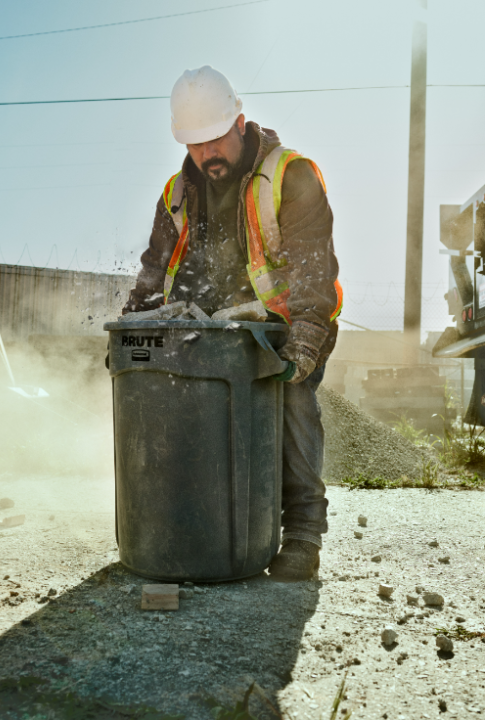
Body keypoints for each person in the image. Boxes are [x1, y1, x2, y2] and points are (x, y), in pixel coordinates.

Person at [122, 66, 343, 580]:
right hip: (205, 329)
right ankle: (203, 530)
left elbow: (315, 272)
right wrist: (132, 331)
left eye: (215, 139)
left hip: (281, 328)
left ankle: (304, 536)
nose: (207, 155)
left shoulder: (292, 176)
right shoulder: (178, 191)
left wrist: (304, 347)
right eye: (195, 145)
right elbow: (155, 269)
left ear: (240, 122)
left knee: (292, 404)